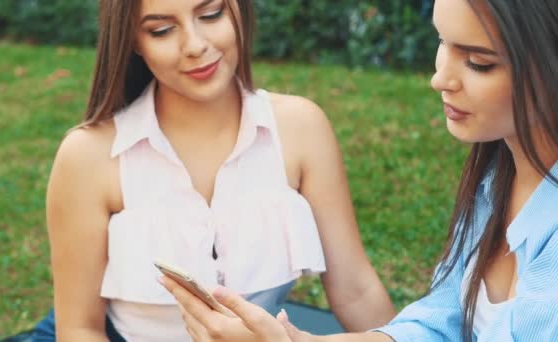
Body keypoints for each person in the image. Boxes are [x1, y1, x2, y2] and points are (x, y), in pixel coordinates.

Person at [161, 0, 558, 340]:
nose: (439, 79)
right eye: (442, 41)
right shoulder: (498, 179)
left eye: (478, 63)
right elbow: (441, 321)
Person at [32, 0, 395, 340]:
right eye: (161, 30)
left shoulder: (302, 128)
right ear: (133, 41)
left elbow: (356, 291)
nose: (195, 45)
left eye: (211, 14)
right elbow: (80, 330)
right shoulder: (87, 157)